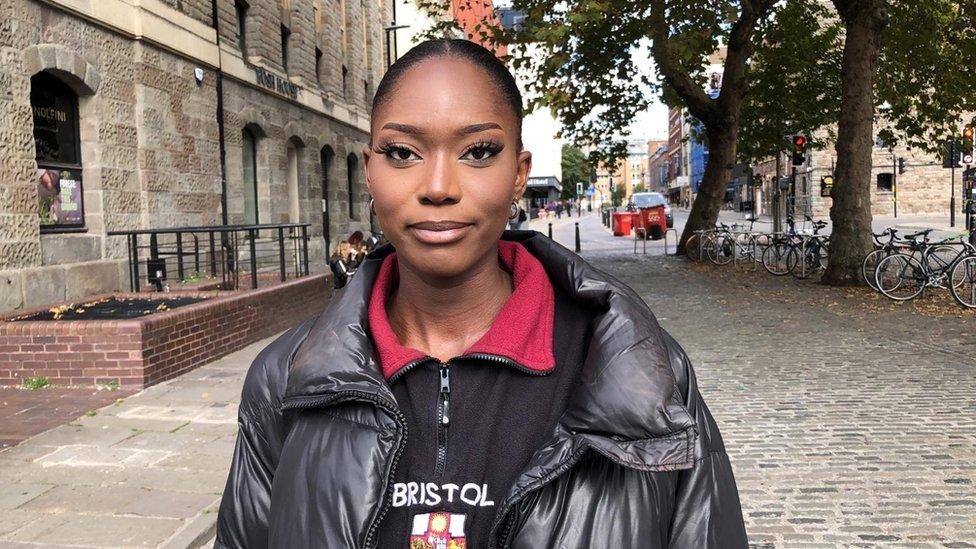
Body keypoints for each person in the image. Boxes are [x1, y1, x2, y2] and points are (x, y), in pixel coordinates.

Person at [215, 38, 746, 549]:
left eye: (478, 151)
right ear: (370, 171)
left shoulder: (639, 372)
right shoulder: (285, 378)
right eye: (402, 152)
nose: (439, 185)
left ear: (519, 175)